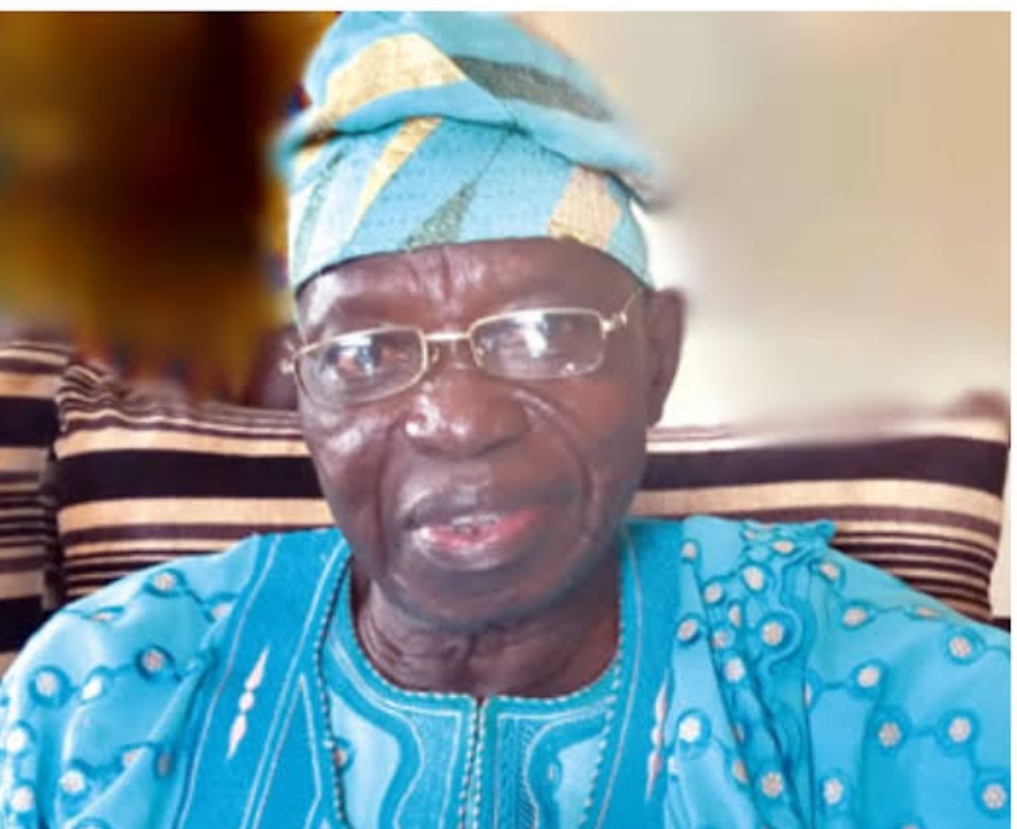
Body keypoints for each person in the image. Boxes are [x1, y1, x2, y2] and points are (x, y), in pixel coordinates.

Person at [0, 12, 1009, 829]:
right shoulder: (97, 698)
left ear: (656, 357)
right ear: (303, 392)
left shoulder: (842, 680)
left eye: (542, 332)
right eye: (366, 352)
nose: (457, 420)